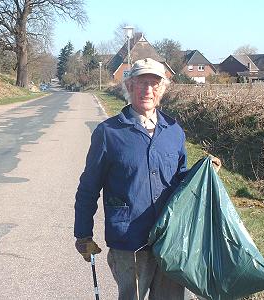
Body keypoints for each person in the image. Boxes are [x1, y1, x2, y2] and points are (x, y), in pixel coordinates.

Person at [74, 58, 221, 300]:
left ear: (162, 90)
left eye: (154, 84)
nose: (148, 90)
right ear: (129, 87)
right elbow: (88, 188)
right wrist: (83, 234)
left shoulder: (174, 131)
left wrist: (203, 173)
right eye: (141, 83)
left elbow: (180, 181)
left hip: (170, 238)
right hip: (129, 240)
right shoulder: (109, 133)